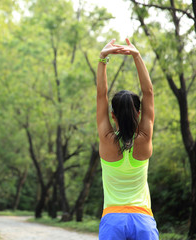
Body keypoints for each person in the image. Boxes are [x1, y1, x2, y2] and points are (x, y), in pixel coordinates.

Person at [96, 39, 159, 240]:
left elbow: (101, 95)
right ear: (138, 114)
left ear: (113, 115)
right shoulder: (144, 139)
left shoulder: (107, 140)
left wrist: (102, 59)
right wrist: (137, 55)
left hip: (113, 221)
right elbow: (149, 93)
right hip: (143, 222)